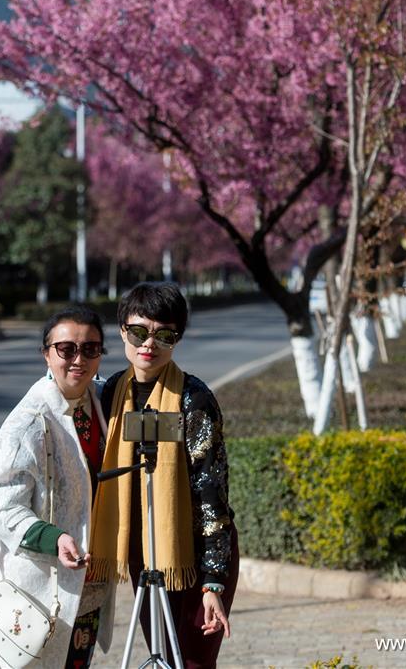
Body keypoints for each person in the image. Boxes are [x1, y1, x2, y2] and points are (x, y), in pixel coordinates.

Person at [91, 282, 239, 669]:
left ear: (177, 340)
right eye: (139, 332)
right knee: (166, 661)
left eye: (165, 335)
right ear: (122, 330)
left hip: (190, 555)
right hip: (143, 553)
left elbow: (212, 492)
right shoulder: (107, 396)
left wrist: (213, 582)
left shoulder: (194, 399)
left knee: (190, 662)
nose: (149, 344)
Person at [0, 305, 115, 668]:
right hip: (39, 595)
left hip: (88, 588)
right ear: (46, 353)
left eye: (90, 349)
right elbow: (1, 509)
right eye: (66, 349)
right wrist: (53, 538)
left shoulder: (102, 402)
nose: (78, 359)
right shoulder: (26, 426)